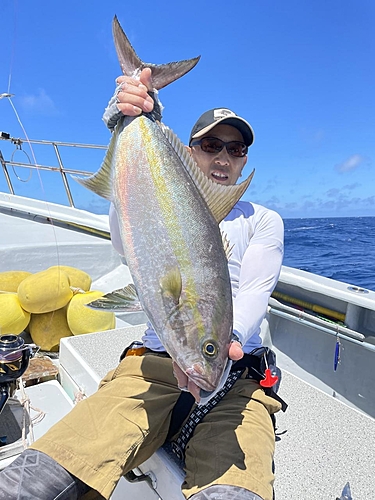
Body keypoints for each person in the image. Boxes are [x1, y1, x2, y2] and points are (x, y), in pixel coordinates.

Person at [0, 68, 284, 500]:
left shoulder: (263, 221)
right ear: (190, 152)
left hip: (237, 379)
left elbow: (254, 295)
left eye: (236, 148)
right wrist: (129, 120)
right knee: (34, 482)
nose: (224, 157)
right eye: (211, 145)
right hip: (150, 367)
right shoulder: (147, 198)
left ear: (244, 158)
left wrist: (221, 348)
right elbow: (124, 235)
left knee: (234, 493)